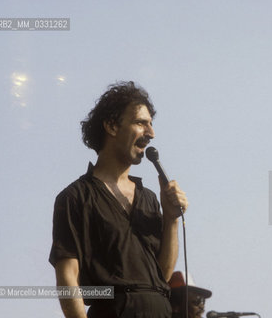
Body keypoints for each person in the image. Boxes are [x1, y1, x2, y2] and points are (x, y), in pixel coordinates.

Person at [49, 81, 188, 318]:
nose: (151, 133)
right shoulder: (76, 197)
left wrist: (172, 219)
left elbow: (162, 276)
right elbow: (68, 277)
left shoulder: (149, 199)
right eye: (141, 123)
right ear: (112, 126)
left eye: (151, 125)